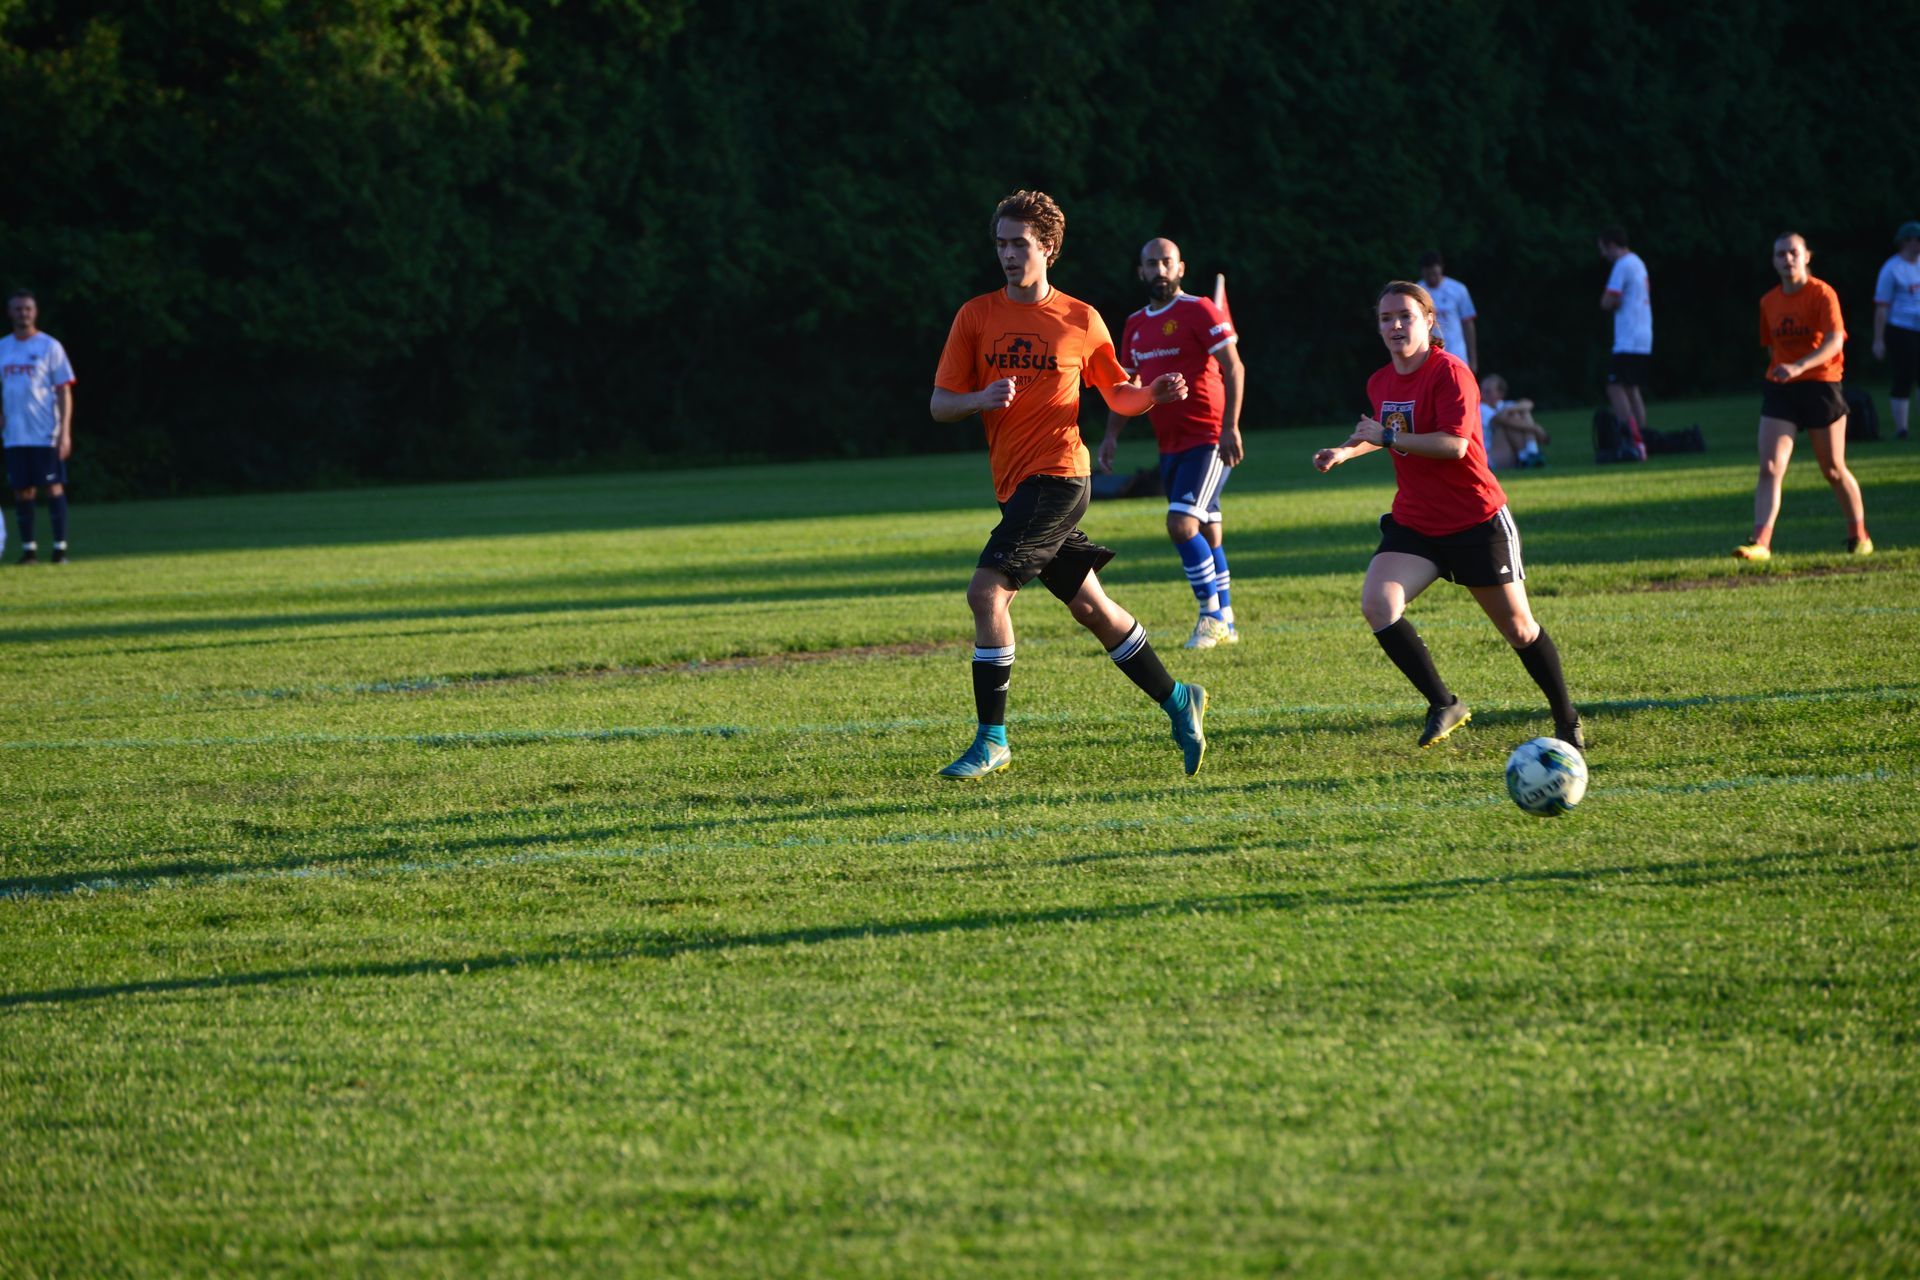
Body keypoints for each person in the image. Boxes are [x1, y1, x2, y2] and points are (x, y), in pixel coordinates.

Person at [930, 190, 1209, 779]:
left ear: (1048, 249)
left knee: (986, 594)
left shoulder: (1081, 319)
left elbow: (1119, 395)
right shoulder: (975, 316)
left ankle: (993, 739)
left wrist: (1153, 394)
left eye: (1020, 244)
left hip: (1059, 476)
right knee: (1090, 606)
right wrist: (980, 398)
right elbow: (939, 404)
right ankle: (1179, 697)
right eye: (1001, 244)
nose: (1008, 254)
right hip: (1014, 485)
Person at [1311, 281, 1583, 750]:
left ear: (1429, 321)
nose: (1395, 325)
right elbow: (1379, 433)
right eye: (1385, 318)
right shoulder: (1380, 381)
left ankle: (1566, 719)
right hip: (1417, 522)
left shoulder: (1451, 373)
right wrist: (1342, 452)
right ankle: (1444, 704)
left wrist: (1387, 439)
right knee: (1378, 604)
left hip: (1475, 520)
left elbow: (1454, 446)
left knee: (1519, 628)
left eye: (1405, 316)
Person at [1098, 237, 1247, 649]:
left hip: (1209, 437)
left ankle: (1210, 615)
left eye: (1167, 262)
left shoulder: (1199, 309)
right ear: (1141, 271)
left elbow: (1233, 368)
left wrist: (1231, 427)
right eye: (1151, 263)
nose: (1159, 270)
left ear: (1180, 268)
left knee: (1181, 523)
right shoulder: (1134, 324)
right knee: (1208, 529)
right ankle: (1228, 619)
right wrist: (1111, 436)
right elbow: (1127, 385)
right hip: (1170, 443)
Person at [1734, 233, 1872, 561]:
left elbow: (1835, 341)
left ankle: (1859, 535)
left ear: (1807, 256)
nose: (1787, 259)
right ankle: (1761, 544)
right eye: (1780, 254)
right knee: (1769, 466)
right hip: (1782, 388)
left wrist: (1799, 366)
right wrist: (1787, 371)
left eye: (1793, 252)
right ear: (1773, 261)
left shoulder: (1823, 294)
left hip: (1821, 385)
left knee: (1833, 469)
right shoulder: (1769, 302)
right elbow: (1771, 346)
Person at [1, 290, 76, 564]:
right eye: (18, 309)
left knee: (53, 486)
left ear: (36, 311)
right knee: (22, 489)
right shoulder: (3, 347)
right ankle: (29, 550)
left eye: (28, 308)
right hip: (14, 434)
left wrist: (64, 432)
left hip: (45, 432)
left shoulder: (49, 347)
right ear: (10, 312)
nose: (23, 313)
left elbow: (63, 391)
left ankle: (60, 548)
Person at [1597, 227, 1651, 460]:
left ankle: (1631, 438)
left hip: (1628, 337)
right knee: (1631, 388)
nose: (1603, 255)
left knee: (1615, 386)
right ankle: (1643, 439)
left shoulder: (1622, 265)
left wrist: (1609, 303)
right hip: (1643, 335)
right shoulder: (1638, 262)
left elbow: (1609, 301)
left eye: (1603, 249)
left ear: (1610, 245)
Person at [1871, 219, 1920, 440]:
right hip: (1900, 328)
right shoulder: (1892, 268)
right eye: (1916, 240)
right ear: (1906, 242)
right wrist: (1878, 340)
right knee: (1904, 375)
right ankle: (1902, 429)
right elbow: (1882, 307)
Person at [1417, 251, 1477, 373]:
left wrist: (1473, 359)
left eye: (1434, 274)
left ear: (1441, 268)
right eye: (1428, 275)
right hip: (1429, 357)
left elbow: (1468, 324)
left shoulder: (1458, 289)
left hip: (1457, 354)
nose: (1432, 278)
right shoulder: (1417, 292)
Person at [1477, 374, 1549, 470]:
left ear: (1500, 394)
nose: (1482, 394)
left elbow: (1528, 403)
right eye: (1482, 390)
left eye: (1488, 392)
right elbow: (1502, 420)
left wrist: (1511, 410)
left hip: (1507, 452)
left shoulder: (1504, 406)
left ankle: (1530, 454)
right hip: (1490, 457)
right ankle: (1529, 455)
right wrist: (1535, 428)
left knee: (1521, 413)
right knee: (1506, 423)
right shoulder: (1481, 408)